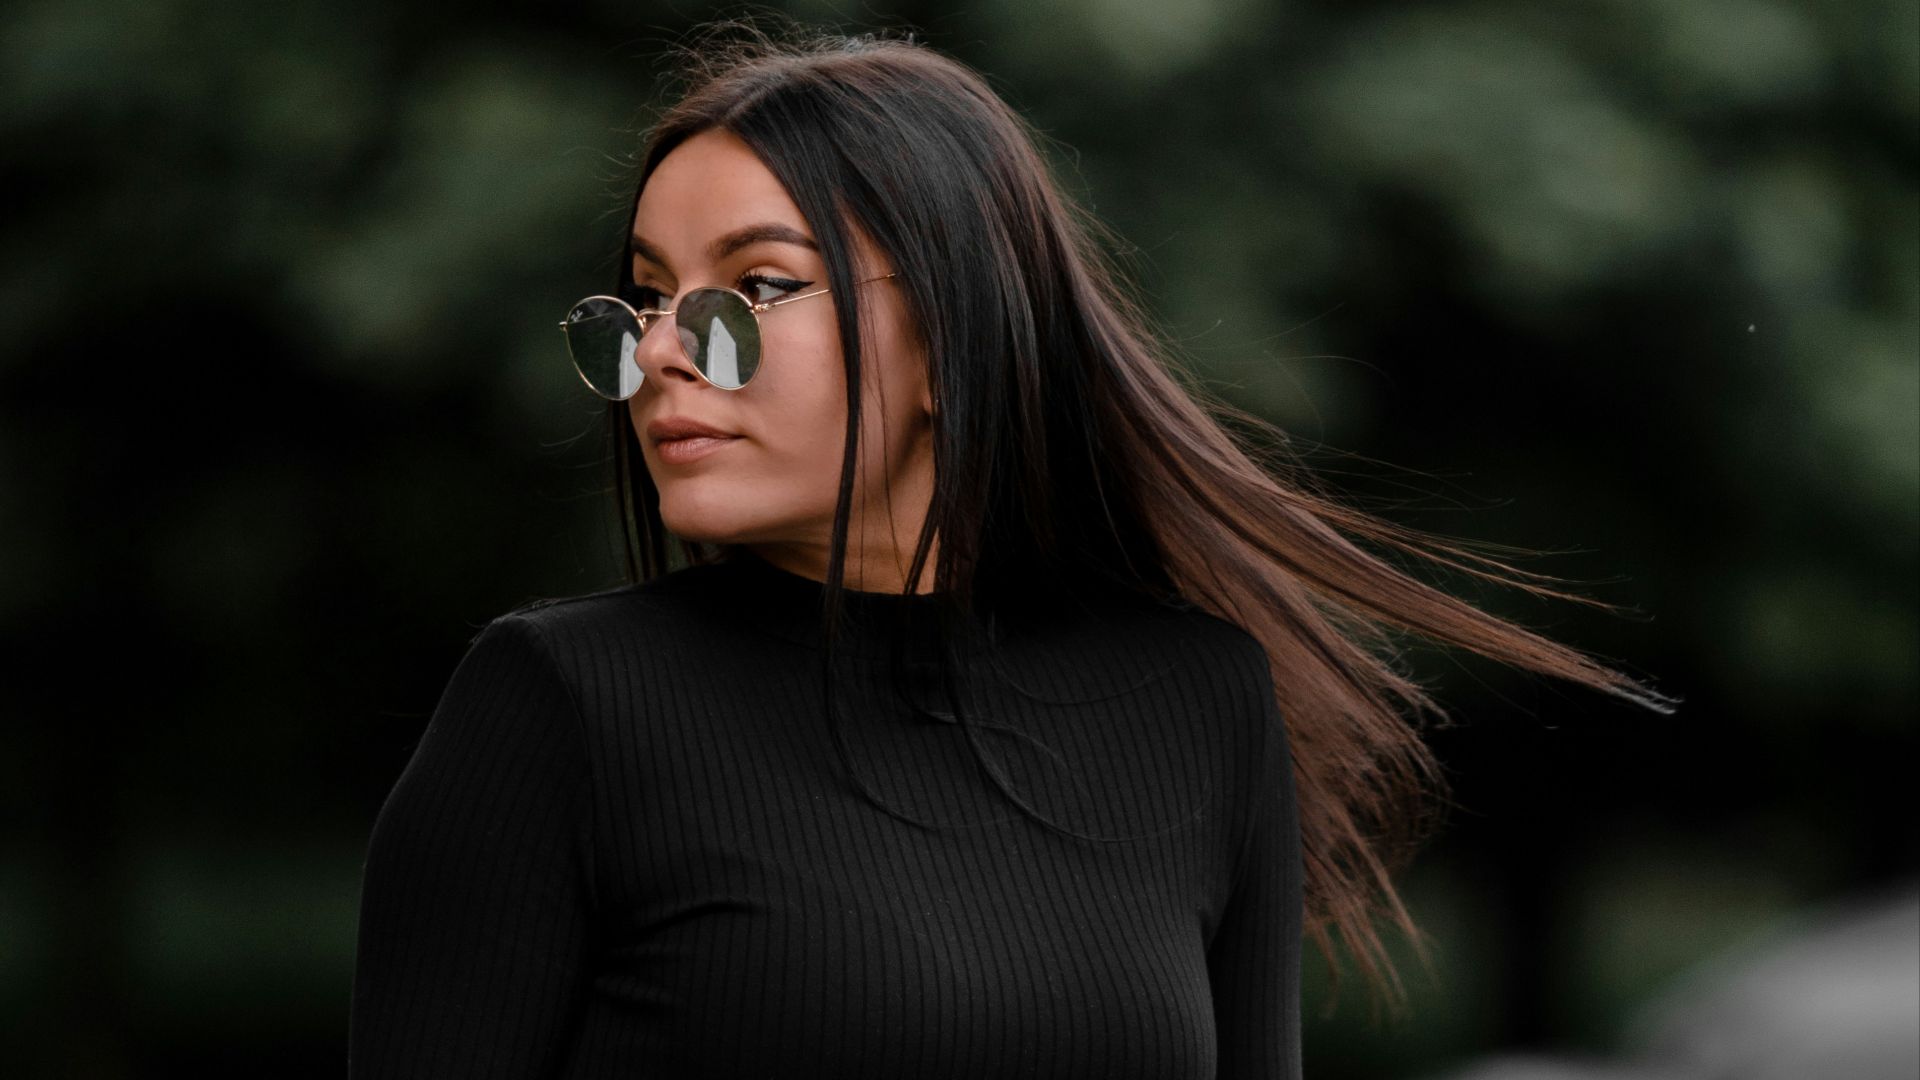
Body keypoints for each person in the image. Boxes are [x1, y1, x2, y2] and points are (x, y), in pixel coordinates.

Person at [347, 19, 1677, 1079]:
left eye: (756, 288)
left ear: (951, 331)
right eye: (645, 297)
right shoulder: (559, 709)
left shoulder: (1199, 705)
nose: (665, 352)